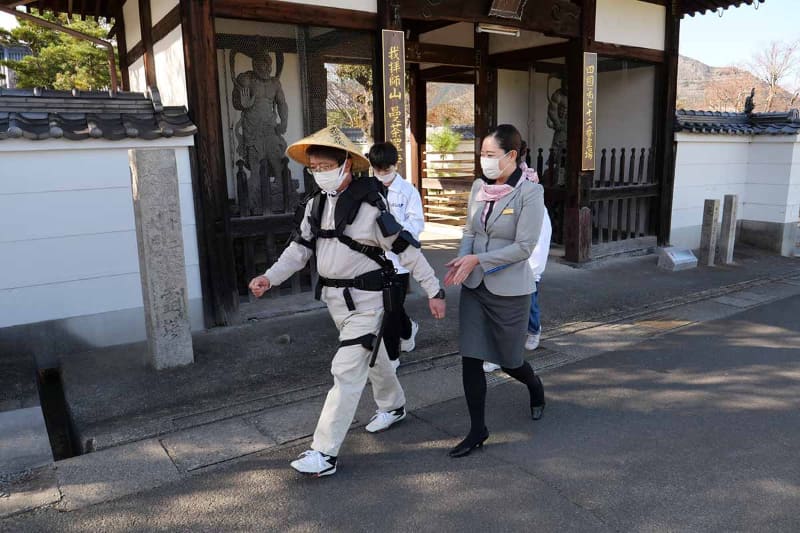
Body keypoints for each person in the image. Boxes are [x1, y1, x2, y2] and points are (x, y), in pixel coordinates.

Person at [249, 126, 446, 477]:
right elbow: (298, 250)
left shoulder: (371, 207)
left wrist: (434, 290)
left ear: (346, 166)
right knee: (374, 359)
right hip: (335, 302)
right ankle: (395, 405)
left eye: (325, 165)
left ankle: (324, 453)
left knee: (346, 370)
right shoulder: (314, 204)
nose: (319, 172)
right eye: (314, 167)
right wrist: (270, 277)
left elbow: (406, 250)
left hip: (369, 302)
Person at [444, 124, 546, 458]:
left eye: (491, 155)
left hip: (510, 290)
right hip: (475, 286)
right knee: (471, 358)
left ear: (512, 155)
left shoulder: (530, 192)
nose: (485, 162)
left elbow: (524, 247)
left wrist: (478, 259)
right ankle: (477, 430)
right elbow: (470, 229)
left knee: (510, 360)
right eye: (482, 155)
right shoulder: (479, 187)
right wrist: (463, 259)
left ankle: (534, 386)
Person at [483, 143, 551, 373]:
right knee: (496, 310)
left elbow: (539, 238)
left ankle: (532, 330)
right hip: (499, 263)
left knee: (523, 309)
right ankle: (495, 353)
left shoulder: (531, 194)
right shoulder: (496, 188)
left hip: (523, 266)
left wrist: (531, 269)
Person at [368, 142, 425, 362]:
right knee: (389, 306)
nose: (383, 175)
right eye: (378, 170)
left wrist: (397, 238)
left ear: (395, 165)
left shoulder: (408, 191)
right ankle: (409, 328)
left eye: (387, 170)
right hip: (375, 260)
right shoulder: (369, 189)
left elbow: (417, 223)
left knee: (390, 310)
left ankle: (392, 358)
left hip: (400, 260)